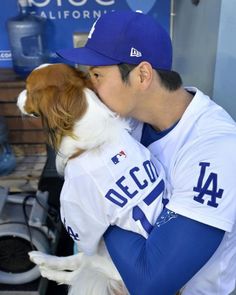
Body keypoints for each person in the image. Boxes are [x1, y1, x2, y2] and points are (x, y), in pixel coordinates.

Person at [57, 10, 236, 295]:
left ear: (142, 75)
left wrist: (105, 209)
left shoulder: (215, 147)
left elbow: (151, 282)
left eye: (97, 75)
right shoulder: (125, 119)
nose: (88, 88)